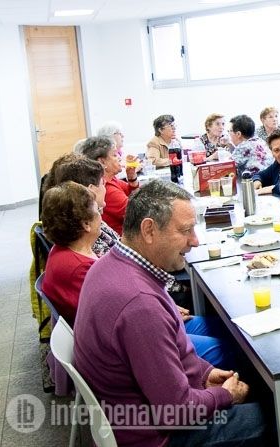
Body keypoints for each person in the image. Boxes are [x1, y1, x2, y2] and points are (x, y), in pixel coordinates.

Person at [74, 181, 266, 446]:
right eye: (186, 230)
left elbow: (166, 357)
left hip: (134, 416)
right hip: (158, 436)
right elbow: (176, 413)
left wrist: (204, 374)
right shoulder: (140, 305)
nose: (195, 241)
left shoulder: (108, 265)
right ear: (149, 230)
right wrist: (224, 396)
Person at [41, 182, 101, 325]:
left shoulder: (63, 248)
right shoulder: (79, 268)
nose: (101, 215)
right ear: (86, 224)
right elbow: (106, 311)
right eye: (98, 210)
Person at [45, 154, 117, 256]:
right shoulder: (87, 238)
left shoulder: (87, 221)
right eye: (103, 184)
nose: (105, 189)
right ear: (91, 190)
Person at [81, 136, 139, 235]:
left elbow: (133, 193)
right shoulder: (105, 188)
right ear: (102, 162)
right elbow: (138, 213)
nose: (119, 157)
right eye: (115, 155)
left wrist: (132, 177)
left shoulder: (111, 179)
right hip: (123, 238)